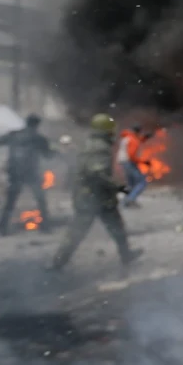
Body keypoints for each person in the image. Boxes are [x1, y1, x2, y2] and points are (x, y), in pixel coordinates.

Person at [50, 114, 142, 270]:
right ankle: (57, 264)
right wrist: (118, 186)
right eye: (111, 129)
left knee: (105, 228)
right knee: (84, 230)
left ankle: (58, 262)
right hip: (95, 197)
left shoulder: (90, 144)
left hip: (91, 195)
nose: (113, 132)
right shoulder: (100, 147)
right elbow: (97, 174)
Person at [0, 113, 52, 235]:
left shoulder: (14, 135)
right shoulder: (39, 138)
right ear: (37, 125)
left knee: (10, 202)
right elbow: (48, 155)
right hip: (31, 173)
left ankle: (2, 228)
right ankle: (45, 226)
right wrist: (58, 153)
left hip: (15, 172)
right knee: (40, 200)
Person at [115, 125, 150, 208]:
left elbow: (135, 142)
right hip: (129, 162)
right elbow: (132, 155)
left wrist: (144, 138)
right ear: (138, 131)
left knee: (131, 183)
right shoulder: (133, 140)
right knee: (142, 182)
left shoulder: (127, 137)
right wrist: (143, 162)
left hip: (123, 162)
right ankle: (129, 200)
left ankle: (126, 201)